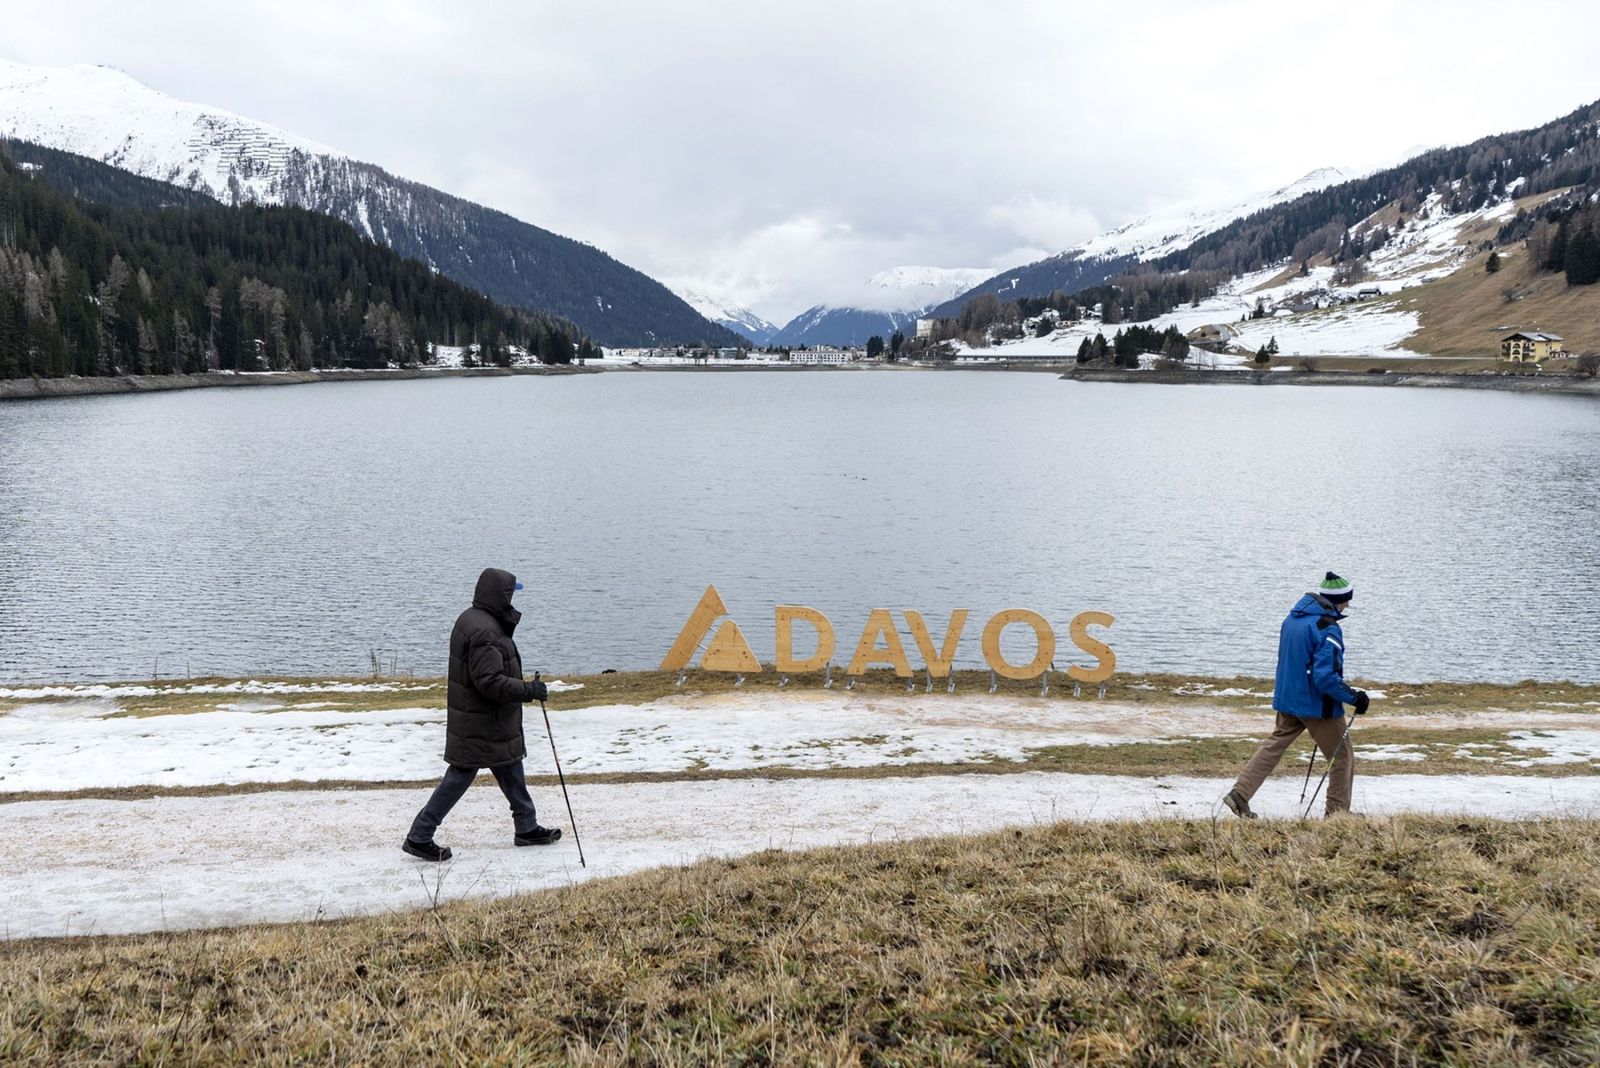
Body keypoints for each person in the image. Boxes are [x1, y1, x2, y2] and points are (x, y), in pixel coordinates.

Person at [403, 567, 561, 861]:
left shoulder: (477, 619)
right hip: (480, 722)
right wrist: (528, 690)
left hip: (489, 720)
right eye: (511, 594)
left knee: (511, 766)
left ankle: (526, 827)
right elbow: (489, 682)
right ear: (500, 596)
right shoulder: (484, 630)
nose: (514, 600)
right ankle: (419, 836)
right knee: (460, 777)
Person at [1223, 572, 1370, 819]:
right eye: (1346, 601)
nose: (1348, 606)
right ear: (1338, 601)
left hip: (1288, 699)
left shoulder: (1292, 620)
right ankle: (1337, 814)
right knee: (1342, 756)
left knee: (1273, 746)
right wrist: (1354, 697)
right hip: (1316, 707)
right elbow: (1325, 678)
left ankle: (1240, 794)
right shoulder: (1327, 628)